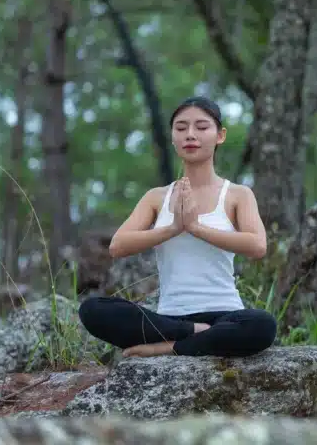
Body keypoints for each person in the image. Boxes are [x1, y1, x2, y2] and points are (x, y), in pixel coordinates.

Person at [78, 96, 277, 358]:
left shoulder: (237, 194)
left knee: (262, 325)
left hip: (226, 314)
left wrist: (195, 227)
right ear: (173, 137)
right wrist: (173, 227)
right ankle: (194, 333)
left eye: (202, 127)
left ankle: (170, 347)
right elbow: (118, 246)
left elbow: (257, 246)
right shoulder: (156, 197)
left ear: (220, 135)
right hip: (170, 317)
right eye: (181, 128)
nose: (190, 135)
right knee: (92, 310)